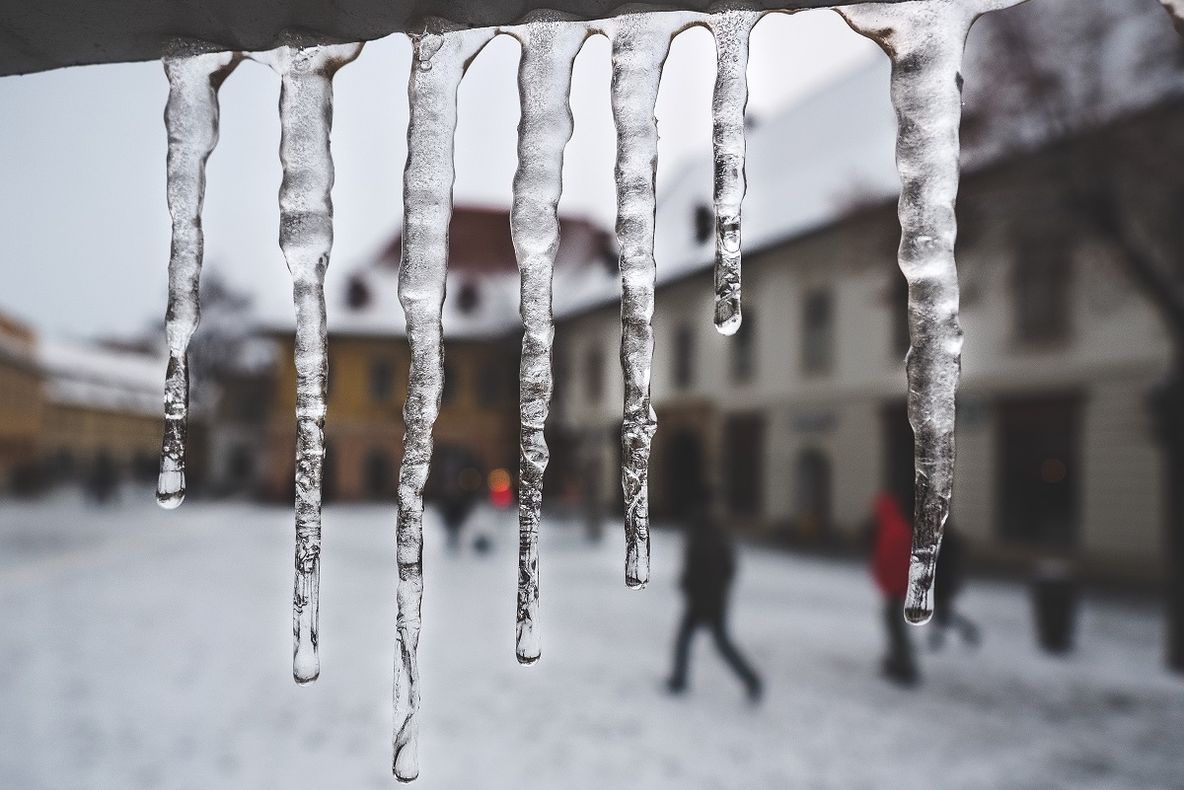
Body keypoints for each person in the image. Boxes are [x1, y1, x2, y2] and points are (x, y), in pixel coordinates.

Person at [666, 487, 763, 702]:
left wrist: (693, 587)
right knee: (716, 643)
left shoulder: (703, 533)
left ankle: (680, 680)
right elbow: (728, 567)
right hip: (711, 598)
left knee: (699, 641)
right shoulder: (712, 531)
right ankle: (751, 679)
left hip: (704, 600)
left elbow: (702, 567)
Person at [871, 491, 918, 686]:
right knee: (894, 624)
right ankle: (898, 660)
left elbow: (893, 561)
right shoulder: (895, 528)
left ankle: (903, 663)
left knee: (895, 625)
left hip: (897, 588)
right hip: (897, 587)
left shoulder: (894, 530)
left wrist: (892, 583)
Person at [929, 524, 981, 650]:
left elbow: (946, 567)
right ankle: (937, 639)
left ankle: (968, 630)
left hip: (943, 584)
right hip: (944, 583)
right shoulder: (949, 542)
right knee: (940, 613)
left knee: (942, 613)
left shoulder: (947, 543)